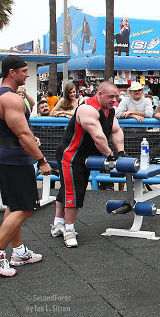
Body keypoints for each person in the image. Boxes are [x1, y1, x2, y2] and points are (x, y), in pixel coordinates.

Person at [50, 81, 125, 248]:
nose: (114, 100)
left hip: (85, 156)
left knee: (68, 188)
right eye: (110, 96)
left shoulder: (109, 111)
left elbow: (116, 131)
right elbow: (98, 137)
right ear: (99, 94)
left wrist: (120, 152)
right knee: (74, 191)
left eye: (116, 96)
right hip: (71, 155)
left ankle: (58, 223)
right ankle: (69, 230)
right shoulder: (87, 109)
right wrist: (110, 156)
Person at [0, 55, 52, 277]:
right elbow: (21, 134)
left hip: (7, 156)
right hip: (15, 159)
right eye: (23, 71)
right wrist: (42, 161)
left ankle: (18, 251)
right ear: (11, 73)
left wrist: (31, 139)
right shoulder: (11, 99)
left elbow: (16, 131)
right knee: (26, 207)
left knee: (13, 206)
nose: (27, 74)